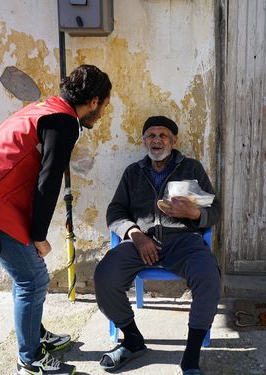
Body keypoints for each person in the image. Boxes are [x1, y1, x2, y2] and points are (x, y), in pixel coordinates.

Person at [0, 64, 111, 375]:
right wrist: (38, 234)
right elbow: (48, 181)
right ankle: (29, 360)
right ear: (93, 101)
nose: (103, 112)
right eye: (104, 105)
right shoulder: (63, 122)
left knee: (26, 276)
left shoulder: (48, 107)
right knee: (33, 279)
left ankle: (35, 337)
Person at [94, 116, 221, 375]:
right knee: (104, 275)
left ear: (174, 141)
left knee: (209, 276)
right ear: (144, 141)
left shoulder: (192, 168)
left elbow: (215, 210)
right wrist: (135, 234)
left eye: (163, 135)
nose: (157, 140)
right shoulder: (133, 172)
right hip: (142, 241)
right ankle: (132, 340)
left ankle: (191, 354)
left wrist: (194, 215)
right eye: (151, 135)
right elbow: (115, 211)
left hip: (183, 241)